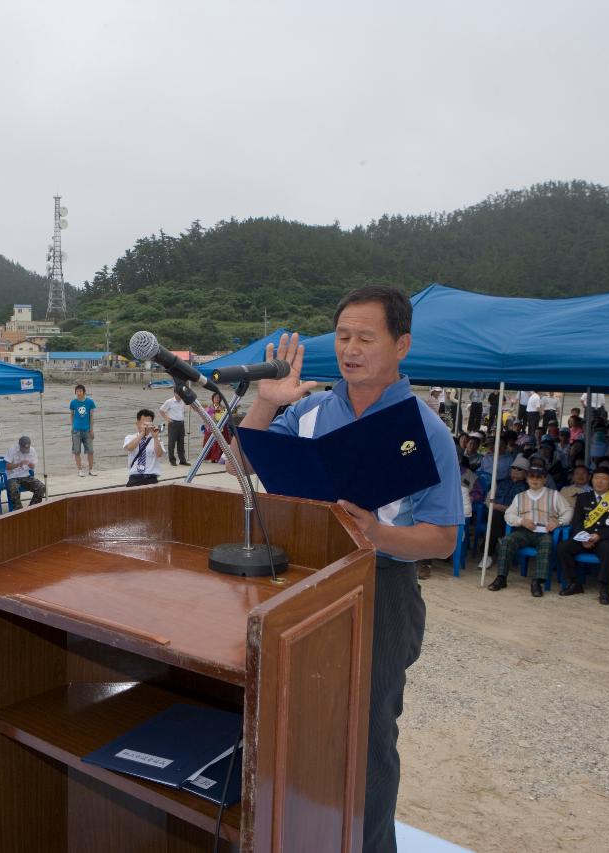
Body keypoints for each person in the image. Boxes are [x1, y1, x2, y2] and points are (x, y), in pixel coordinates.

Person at [237, 286, 463, 852]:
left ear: (401, 345)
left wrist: (378, 534)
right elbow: (245, 461)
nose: (350, 349)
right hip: (304, 577)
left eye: (366, 337)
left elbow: (441, 538)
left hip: (381, 587)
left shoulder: (425, 429)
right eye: (342, 337)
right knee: (296, 721)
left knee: (367, 736)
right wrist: (267, 400)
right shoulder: (311, 410)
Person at [487, 459, 571, 597]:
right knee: (507, 541)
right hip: (524, 531)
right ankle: (501, 578)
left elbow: (568, 511)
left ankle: (537, 582)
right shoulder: (520, 496)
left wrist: (558, 522)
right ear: (527, 479)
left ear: (544, 479)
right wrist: (521, 521)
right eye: (532, 476)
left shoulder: (554, 495)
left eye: (539, 477)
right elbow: (509, 514)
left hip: (544, 532)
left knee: (547, 543)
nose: (535, 480)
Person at [557, 466, 609, 604]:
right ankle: (574, 583)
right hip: (584, 537)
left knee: (608, 551)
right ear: (592, 479)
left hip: (604, 538)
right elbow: (577, 521)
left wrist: (599, 535)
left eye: (604, 479)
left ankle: (603, 587)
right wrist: (583, 536)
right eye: (596, 478)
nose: (599, 482)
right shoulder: (583, 497)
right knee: (563, 548)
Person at [123, 408, 164, 486]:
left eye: (148, 424)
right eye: (144, 424)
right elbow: (129, 447)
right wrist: (142, 433)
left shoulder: (156, 439)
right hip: (135, 476)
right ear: (137, 424)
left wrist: (155, 437)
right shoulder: (130, 437)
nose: (146, 426)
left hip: (151, 477)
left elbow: (159, 454)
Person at [4, 435, 46, 509]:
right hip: (12, 476)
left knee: (41, 487)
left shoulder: (32, 450)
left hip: (26, 476)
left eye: (27, 449)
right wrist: (18, 464)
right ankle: (19, 511)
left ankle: (31, 509)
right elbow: (7, 466)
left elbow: (33, 466)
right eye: (23, 449)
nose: (25, 451)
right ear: (19, 445)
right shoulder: (12, 449)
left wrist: (29, 464)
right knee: (13, 489)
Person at [69, 384, 97, 477]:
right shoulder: (73, 402)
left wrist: (91, 430)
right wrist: (72, 426)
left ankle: (91, 469)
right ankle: (80, 470)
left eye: (80, 391)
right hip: (76, 431)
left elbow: (92, 416)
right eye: (77, 391)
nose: (78, 393)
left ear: (84, 392)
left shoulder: (90, 402)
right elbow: (72, 415)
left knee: (90, 451)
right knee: (77, 451)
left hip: (87, 430)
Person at [158, 389, 189, 466]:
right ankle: (172, 460)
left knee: (181, 442)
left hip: (181, 423)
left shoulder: (183, 401)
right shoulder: (169, 401)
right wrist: (167, 419)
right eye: (178, 394)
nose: (180, 395)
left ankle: (182, 460)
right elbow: (161, 410)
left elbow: (184, 411)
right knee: (172, 442)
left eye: (181, 394)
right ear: (175, 393)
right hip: (173, 423)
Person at [202, 390, 230, 463]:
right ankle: (211, 458)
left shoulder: (223, 408)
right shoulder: (210, 408)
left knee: (220, 443)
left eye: (218, 398)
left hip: (221, 427)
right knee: (210, 442)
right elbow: (206, 418)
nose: (217, 399)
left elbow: (226, 417)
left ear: (220, 399)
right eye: (215, 397)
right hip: (211, 427)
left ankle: (219, 458)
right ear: (212, 399)